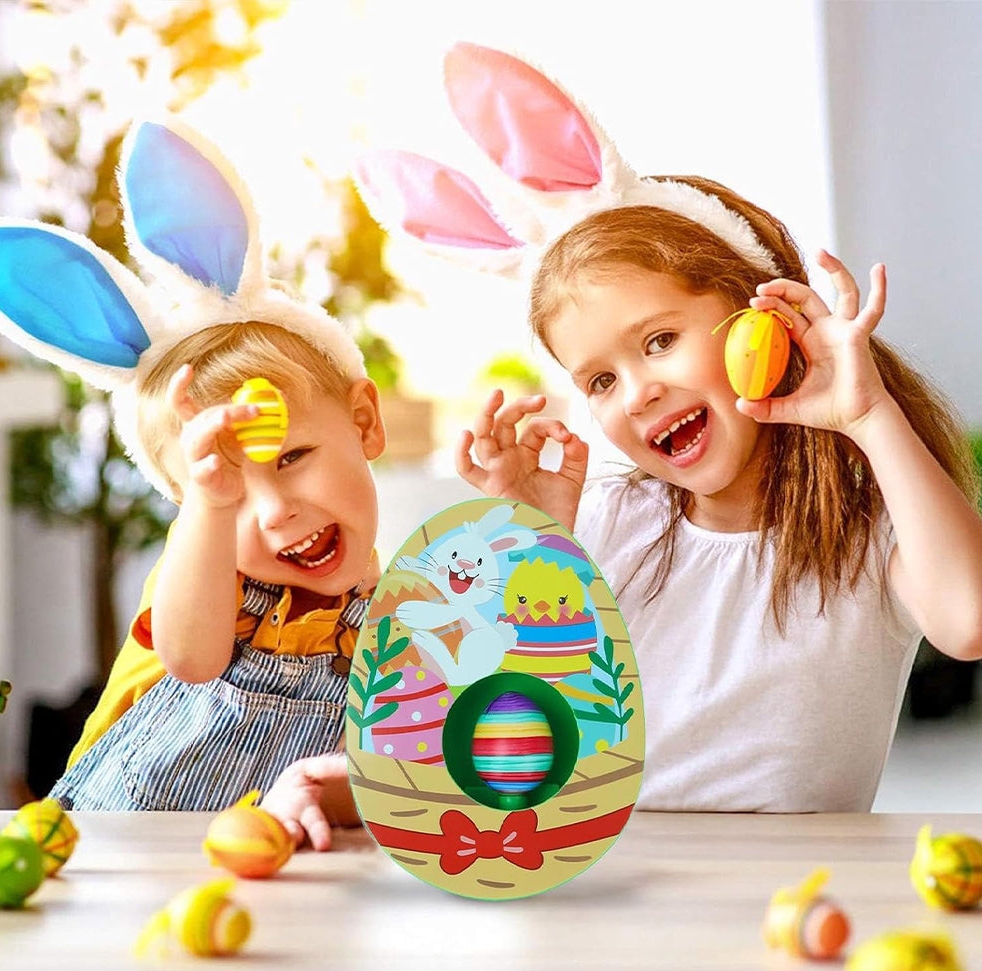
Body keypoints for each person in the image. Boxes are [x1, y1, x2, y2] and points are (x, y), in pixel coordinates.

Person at [355, 42, 982, 811]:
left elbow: (968, 621)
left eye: (659, 341)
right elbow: (496, 739)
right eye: (601, 381)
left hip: (787, 879)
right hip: (612, 868)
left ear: (762, 317)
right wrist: (533, 534)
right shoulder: (608, 521)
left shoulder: (864, 527)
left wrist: (870, 415)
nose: (638, 393)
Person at [0, 117, 375, 841]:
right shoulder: (206, 580)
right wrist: (209, 512)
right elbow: (193, 659)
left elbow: (427, 764)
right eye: (226, 490)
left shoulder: (405, 613)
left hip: (283, 866)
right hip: (118, 849)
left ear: (365, 421)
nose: (275, 512)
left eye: (291, 457)